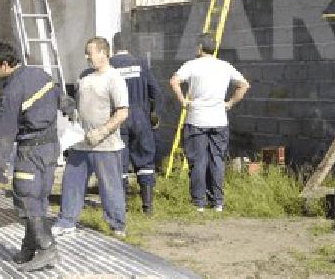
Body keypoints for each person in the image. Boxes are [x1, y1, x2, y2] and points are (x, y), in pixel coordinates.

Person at [0, 42, 61, 271]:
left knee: (27, 199)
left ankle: (47, 248)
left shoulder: (12, 90)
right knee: (38, 198)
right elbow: (59, 96)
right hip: (50, 148)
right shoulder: (41, 74)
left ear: (5, 65)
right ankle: (29, 248)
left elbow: (6, 130)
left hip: (30, 151)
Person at [52, 37, 129, 238]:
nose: (87, 56)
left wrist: (102, 132)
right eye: (86, 52)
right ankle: (67, 221)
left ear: (104, 53)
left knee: (110, 187)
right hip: (81, 142)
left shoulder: (114, 79)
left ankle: (117, 225)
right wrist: (69, 108)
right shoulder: (84, 78)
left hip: (106, 145)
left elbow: (122, 113)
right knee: (71, 182)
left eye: (91, 52)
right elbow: (78, 108)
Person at [170, 34, 250, 212]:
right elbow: (244, 85)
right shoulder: (224, 66)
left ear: (199, 47)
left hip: (196, 119)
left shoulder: (192, 65)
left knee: (198, 161)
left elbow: (174, 81)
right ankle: (218, 202)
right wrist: (229, 103)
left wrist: (183, 101)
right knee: (217, 160)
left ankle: (199, 202)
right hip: (219, 120)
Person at [111, 32, 164, 215]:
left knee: (120, 161)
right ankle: (147, 206)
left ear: (113, 46)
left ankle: (122, 207)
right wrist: (154, 113)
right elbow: (155, 91)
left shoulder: (109, 66)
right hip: (140, 117)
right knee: (145, 160)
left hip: (117, 118)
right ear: (130, 46)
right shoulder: (141, 64)